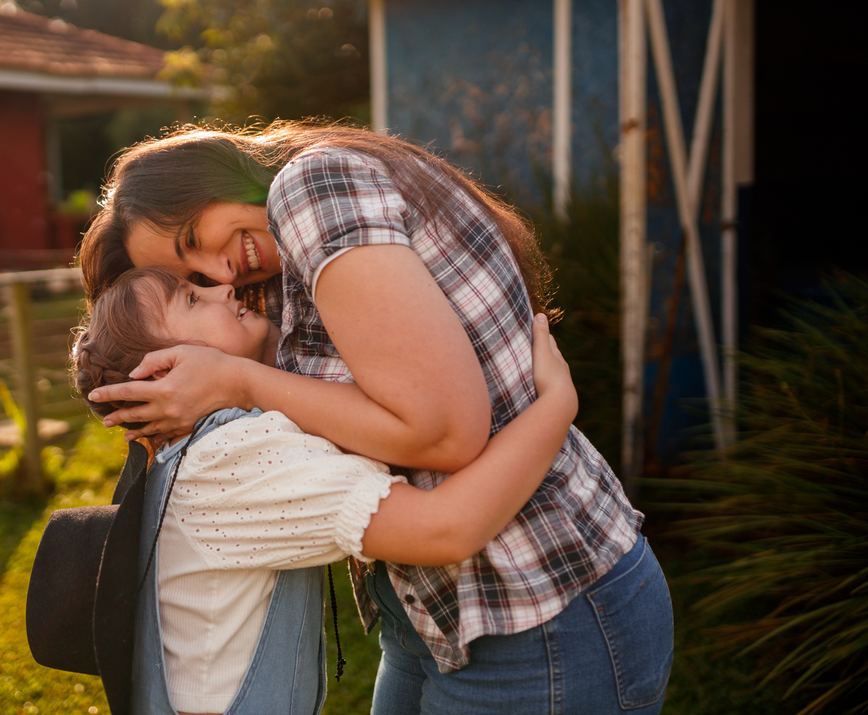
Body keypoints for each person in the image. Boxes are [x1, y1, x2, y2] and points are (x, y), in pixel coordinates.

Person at [79, 122, 674, 715]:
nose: (222, 276)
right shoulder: (283, 258)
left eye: (193, 240)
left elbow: (442, 432)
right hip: (432, 612)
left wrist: (241, 379)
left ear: (210, 177)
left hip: (538, 602)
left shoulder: (310, 187)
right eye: (194, 284)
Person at [71, 265, 580, 715]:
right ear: (164, 371)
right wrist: (557, 404)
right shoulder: (233, 458)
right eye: (191, 299)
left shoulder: (184, 455)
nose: (224, 289)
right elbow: (444, 530)